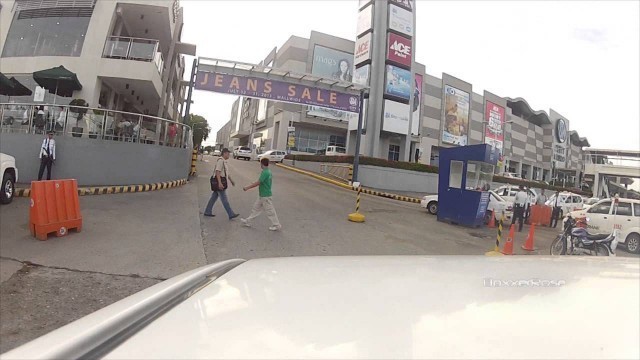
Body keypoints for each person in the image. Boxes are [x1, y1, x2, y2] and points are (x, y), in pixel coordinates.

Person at [240, 158, 281, 231]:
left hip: (265, 196)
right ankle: (248, 221)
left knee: (270, 211)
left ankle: (276, 225)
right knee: (255, 209)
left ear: (262, 164)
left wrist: (247, 187)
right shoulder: (268, 171)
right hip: (262, 195)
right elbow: (265, 182)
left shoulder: (265, 172)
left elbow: (259, 182)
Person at [204, 148, 239, 220]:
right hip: (220, 182)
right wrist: (219, 183)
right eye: (228, 153)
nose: (229, 155)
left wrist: (231, 180)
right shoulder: (220, 161)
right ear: (224, 153)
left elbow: (226, 173)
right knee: (224, 199)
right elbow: (218, 172)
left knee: (213, 197)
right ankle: (231, 214)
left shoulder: (224, 161)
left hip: (221, 181)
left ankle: (207, 211)